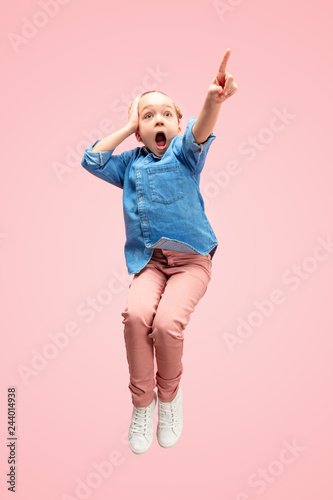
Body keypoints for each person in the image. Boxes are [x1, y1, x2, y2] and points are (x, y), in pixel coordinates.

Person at [81, 48, 237, 454]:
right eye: (147, 116)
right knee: (136, 317)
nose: (158, 120)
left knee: (166, 325)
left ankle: (168, 398)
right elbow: (92, 159)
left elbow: (202, 129)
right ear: (139, 130)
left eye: (166, 113)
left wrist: (212, 101)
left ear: (177, 124)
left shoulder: (185, 153)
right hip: (149, 265)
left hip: (191, 263)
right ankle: (141, 403)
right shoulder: (129, 163)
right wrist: (127, 123)